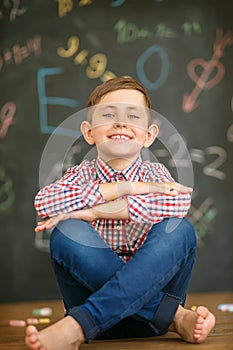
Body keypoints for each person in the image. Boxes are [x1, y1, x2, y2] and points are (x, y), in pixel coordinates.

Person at [25, 77, 215, 350]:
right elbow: (44, 203)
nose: (121, 123)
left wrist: (96, 211)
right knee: (67, 231)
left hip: (129, 324)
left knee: (180, 229)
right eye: (109, 114)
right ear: (89, 132)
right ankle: (176, 317)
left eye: (133, 116)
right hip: (151, 318)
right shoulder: (79, 175)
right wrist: (124, 187)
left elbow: (179, 203)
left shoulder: (156, 174)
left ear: (148, 135)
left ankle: (78, 326)